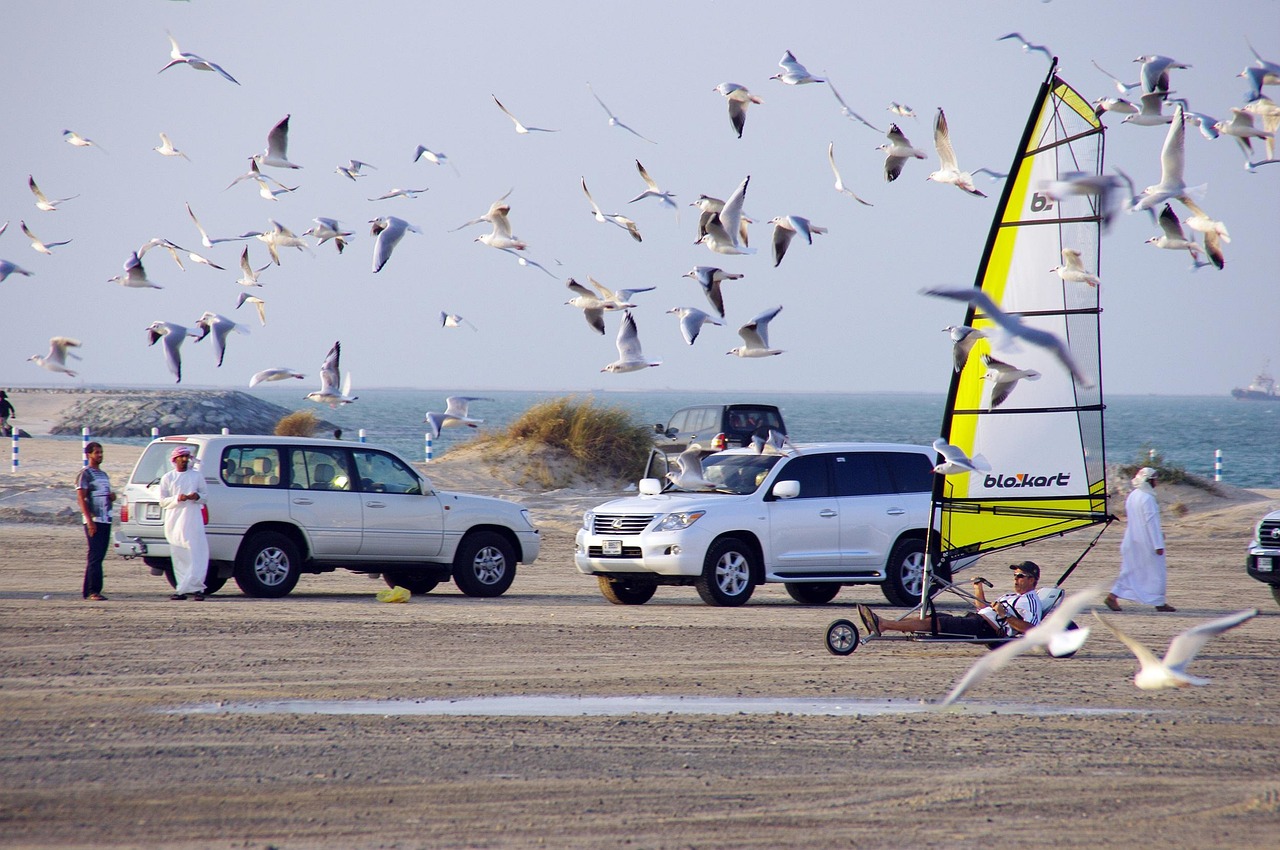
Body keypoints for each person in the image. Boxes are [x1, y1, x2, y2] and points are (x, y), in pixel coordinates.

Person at [857, 561, 1044, 640]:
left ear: (1032, 580)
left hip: (987, 629)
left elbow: (1032, 630)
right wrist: (978, 588)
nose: (1016, 579)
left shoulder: (1031, 601)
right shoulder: (1012, 596)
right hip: (977, 620)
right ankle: (886, 624)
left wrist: (1005, 616)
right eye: (1015, 575)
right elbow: (983, 608)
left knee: (937, 624)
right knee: (931, 619)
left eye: (1020, 576)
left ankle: (883, 624)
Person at [1106, 467, 1175, 612]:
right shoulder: (1148, 498)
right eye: (1154, 480)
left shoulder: (1133, 495)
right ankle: (1159, 602)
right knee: (1156, 574)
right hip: (1146, 543)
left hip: (1132, 540)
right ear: (1148, 481)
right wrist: (1158, 544)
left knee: (1130, 571)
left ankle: (1113, 596)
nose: (1156, 483)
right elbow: (1151, 522)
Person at [159, 446, 209, 601]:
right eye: (182, 457)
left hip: (193, 520)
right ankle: (181, 589)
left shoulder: (196, 476)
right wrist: (177, 499)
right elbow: (162, 501)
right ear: (175, 459)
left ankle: (198, 589)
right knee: (179, 555)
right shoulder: (168, 478)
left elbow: (205, 497)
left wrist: (196, 496)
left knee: (197, 553)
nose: (185, 459)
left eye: (187, 457)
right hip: (175, 522)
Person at [75, 441, 113, 601]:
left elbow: (104, 495)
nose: (100, 455)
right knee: (95, 555)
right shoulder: (85, 474)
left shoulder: (103, 475)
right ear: (88, 454)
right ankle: (94, 591)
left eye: (101, 452)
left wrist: (112, 497)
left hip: (106, 519)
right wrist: (89, 521)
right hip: (94, 519)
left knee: (99, 555)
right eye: (96, 452)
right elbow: (81, 498)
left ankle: (88, 590)